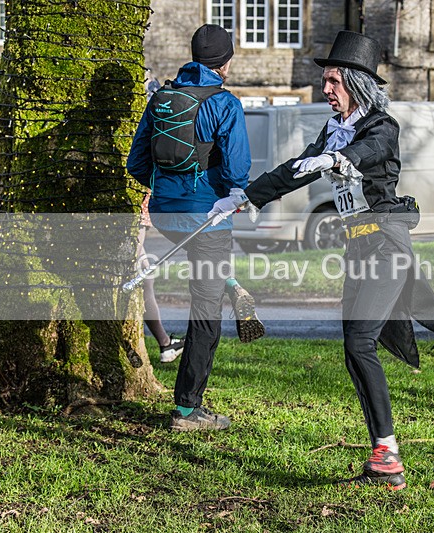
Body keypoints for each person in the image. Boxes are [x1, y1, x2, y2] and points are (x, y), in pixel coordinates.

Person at [210, 31, 434, 489]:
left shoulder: (380, 126)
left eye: (334, 81)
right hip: (357, 249)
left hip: (386, 245)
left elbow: (364, 154)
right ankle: (384, 452)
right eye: (325, 80)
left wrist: (337, 160)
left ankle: (389, 455)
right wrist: (245, 196)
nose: (326, 89)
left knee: (361, 341)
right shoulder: (333, 128)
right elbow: (295, 169)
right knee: (352, 348)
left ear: (357, 84)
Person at [127, 24, 264, 431]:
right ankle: (188, 410)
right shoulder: (224, 103)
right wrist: (217, 190)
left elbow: (136, 164)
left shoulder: (162, 98)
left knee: (207, 268)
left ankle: (230, 281)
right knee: (204, 310)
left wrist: (166, 191)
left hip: (167, 217)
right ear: (227, 61)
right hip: (206, 219)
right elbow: (238, 171)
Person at [137, 192, 185, 363]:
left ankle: (165, 343)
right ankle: (165, 343)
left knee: (145, 277)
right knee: (137, 274)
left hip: (139, 208)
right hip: (135, 208)